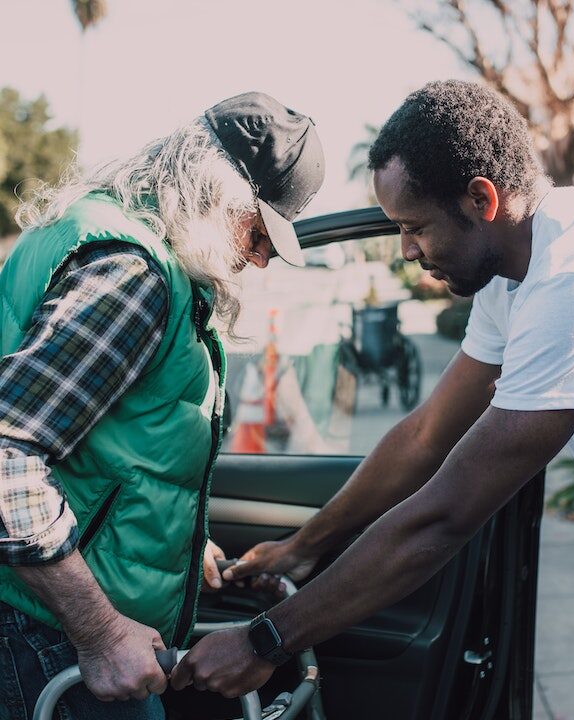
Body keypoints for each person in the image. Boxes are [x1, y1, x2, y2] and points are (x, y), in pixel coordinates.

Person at [173, 80, 574, 720]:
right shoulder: (518, 271)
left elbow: (446, 515)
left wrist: (267, 640)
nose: (408, 251)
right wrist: (307, 544)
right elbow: (427, 435)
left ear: (482, 198)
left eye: (414, 228)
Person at [0, 91, 324, 718]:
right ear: (215, 193)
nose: (258, 258)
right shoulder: (132, 274)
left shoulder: (92, 228)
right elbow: (8, 452)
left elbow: (100, 444)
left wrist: (175, 539)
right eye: (258, 231)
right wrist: (99, 633)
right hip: (47, 638)